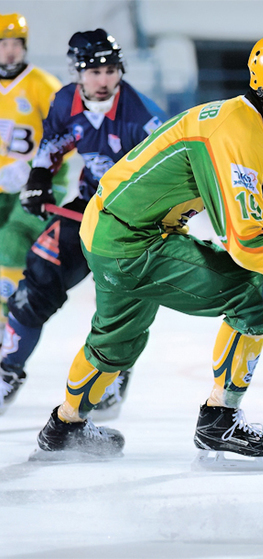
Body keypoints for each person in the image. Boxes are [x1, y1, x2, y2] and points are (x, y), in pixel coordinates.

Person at [32, 31, 263, 469]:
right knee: (251, 292)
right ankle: (219, 420)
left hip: (111, 231)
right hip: (134, 241)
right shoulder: (237, 130)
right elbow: (247, 241)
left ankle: (63, 428)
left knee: (115, 342)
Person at [0, 28, 166, 416]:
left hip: (135, 221)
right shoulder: (64, 101)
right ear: (77, 72)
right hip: (87, 207)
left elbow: (172, 174)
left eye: (110, 70)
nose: (103, 80)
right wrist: (40, 178)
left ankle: (114, 372)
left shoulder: (144, 119)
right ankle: (6, 369)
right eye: (93, 71)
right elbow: (54, 141)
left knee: (120, 301)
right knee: (38, 277)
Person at [0, 13, 71, 413]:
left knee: (10, 244)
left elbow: (70, 133)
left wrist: (35, 169)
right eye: (4, 42)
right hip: (1, 184)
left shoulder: (44, 86)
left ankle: (7, 331)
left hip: (35, 186)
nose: (10, 49)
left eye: (16, 43)